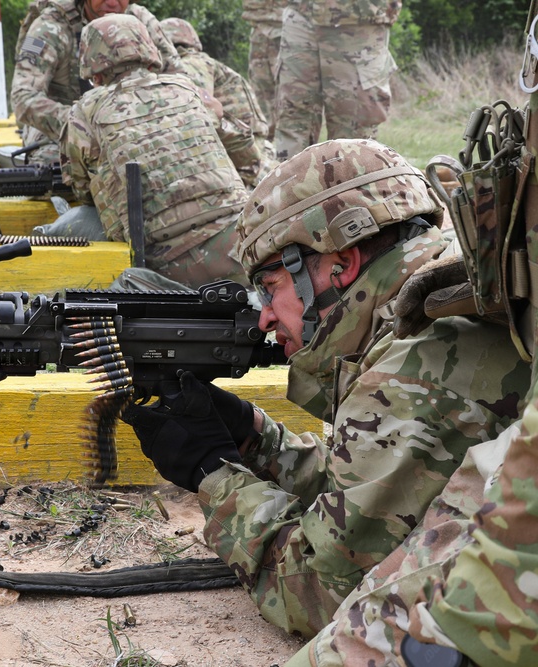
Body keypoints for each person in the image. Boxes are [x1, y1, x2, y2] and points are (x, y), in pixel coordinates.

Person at [121, 138, 532, 638]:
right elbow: (376, 495)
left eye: (270, 287)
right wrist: (255, 439)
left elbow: (320, 593)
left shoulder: (416, 366)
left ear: (340, 264)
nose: (267, 315)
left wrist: (213, 475)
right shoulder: (446, 291)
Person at [58, 14, 250, 287]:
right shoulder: (186, 88)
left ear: (95, 71)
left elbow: (79, 187)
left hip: (165, 266)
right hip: (241, 249)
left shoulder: (85, 110)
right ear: (149, 52)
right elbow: (242, 145)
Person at [10, 0, 189, 164]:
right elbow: (23, 98)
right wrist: (85, 126)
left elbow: (179, 80)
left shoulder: (141, 21)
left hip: (135, 122)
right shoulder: (49, 27)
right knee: (57, 164)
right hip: (68, 126)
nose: (111, 2)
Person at [275, 0, 399, 161]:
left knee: (353, 127)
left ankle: (351, 184)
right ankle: (287, 183)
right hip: (301, 13)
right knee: (292, 114)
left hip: (358, 20)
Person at [159, 17, 275, 188]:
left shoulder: (192, 62)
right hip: (247, 144)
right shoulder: (204, 61)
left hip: (245, 151)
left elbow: (198, 106)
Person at [241, 0, 289, 139]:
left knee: (289, 94)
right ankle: (267, 140)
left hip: (287, 31)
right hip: (259, 31)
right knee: (260, 91)